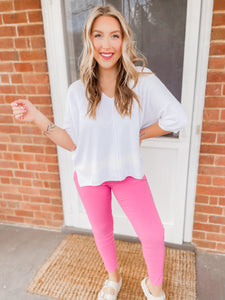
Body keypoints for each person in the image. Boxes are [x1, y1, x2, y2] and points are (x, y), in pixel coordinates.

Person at [11, 4, 188, 300]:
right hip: (90, 175)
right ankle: (113, 278)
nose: (107, 45)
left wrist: (141, 133)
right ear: (89, 40)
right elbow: (72, 142)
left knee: (154, 233)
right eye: (99, 35)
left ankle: (153, 286)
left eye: (114, 36)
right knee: (102, 232)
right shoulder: (77, 92)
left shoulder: (140, 80)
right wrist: (37, 118)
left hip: (127, 174)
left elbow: (177, 118)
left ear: (124, 40)